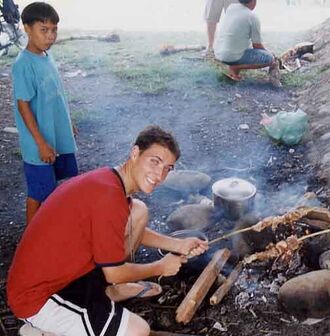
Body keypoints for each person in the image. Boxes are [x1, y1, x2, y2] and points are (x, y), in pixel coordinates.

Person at [7, 125, 209, 336]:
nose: (160, 174)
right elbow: (114, 272)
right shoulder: (108, 199)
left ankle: (108, 291)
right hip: (38, 296)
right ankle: (43, 330)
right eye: (154, 161)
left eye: (168, 168)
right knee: (138, 331)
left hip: (63, 271)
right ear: (135, 153)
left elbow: (117, 227)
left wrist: (177, 244)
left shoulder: (109, 181)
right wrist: (160, 266)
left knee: (138, 211)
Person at [12, 2, 78, 224]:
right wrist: (40, 143)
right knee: (38, 192)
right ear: (27, 29)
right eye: (44, 30)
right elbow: (23, 106)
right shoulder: (23, 64)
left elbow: (56, 97)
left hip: (56, 137)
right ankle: (31, 238)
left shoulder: (46, 57)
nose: (50, 36)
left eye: (54, 30)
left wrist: (67, 124)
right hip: (38, 143)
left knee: (56, 184)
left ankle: (52, 227)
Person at [214, 0, 281, 86]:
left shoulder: (231, 7)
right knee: (269, 58)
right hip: (231, 56)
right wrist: (271, 55)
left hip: (219, 52)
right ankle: (235, 67)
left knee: (241, 45)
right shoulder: (252, 17)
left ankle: (234, 74)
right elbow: (257, 46)